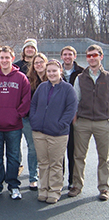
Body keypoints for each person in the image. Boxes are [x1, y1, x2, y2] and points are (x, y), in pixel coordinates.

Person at [0, 46, 31, 200]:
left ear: (12, 58)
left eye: (7, 58)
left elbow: (26, 100)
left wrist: (17, 115)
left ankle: (14, 186)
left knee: (13, 157)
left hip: (14, 125)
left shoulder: (21, 77)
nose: (4, 60)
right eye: (2, 58)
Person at [29, 59, 77, 204]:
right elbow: (34, 104)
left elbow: (71, 109)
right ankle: (43, 189)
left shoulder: (68, 89)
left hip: (58, 133)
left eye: (54, 71)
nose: (51, 73)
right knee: (43, 162)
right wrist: (35, 119)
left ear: (60, 71)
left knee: (55, 163)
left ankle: (55, 191)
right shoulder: (42, 87)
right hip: (39, 131)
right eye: (49, 71)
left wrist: (61, 124)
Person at [68, 45, 109, 201]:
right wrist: (75, 121)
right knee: (79, 156)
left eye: (94, 55)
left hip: (102, 122)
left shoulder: (107, 77)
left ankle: (104, 188)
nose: (92, 58)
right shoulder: (80, 78)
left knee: (104, 158)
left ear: (101, 56)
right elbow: (74, 100)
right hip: (83, 122)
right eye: (89, 56)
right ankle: (77, 185)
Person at [60, 46, 84, 189]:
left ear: (75, 56)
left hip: (76, 117)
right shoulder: (57, 71)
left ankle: (73, 181)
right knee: (59, 152)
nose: (67, 57)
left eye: (70, 54)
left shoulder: (82, 73)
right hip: (59, 117)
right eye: (65, 54)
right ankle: (59, 180)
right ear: (61, 56)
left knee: (74, 151)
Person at [24, 53, 48, 190]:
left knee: (46, 150)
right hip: (30, 120)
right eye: (36, 63)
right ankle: (33, 177)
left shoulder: (51, 78)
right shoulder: (28, 80)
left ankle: (46, 177)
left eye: (41, 62)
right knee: (33, 149)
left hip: (48, 120)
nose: (38, 65)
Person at [14, 38, 38, 177]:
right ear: (24, 50)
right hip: (17, 113)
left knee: (33, 146)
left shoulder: (39, 66)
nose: (30, 50)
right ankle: (17, 168)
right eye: (27, 47)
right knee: (15, 146)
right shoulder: (16, 66)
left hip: (32, 114)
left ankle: (33, 173)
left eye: (32, 48)